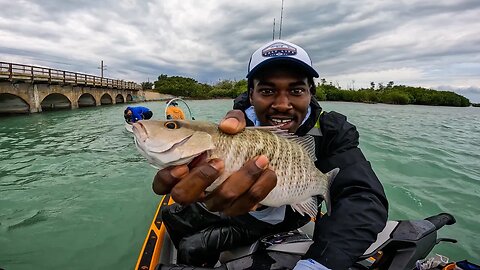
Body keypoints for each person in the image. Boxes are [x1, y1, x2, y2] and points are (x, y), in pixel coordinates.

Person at [152, 40, 388, 269]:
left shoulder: (333, 131)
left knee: (192, 247)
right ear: (251, 94)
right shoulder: (233, 124)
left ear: (311, 93)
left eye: (296, 90)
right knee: (171, 214)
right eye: (267, 90)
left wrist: (318, 264)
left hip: (283, 220)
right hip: (230, 208)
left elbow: (363, 197)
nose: (283, 104)